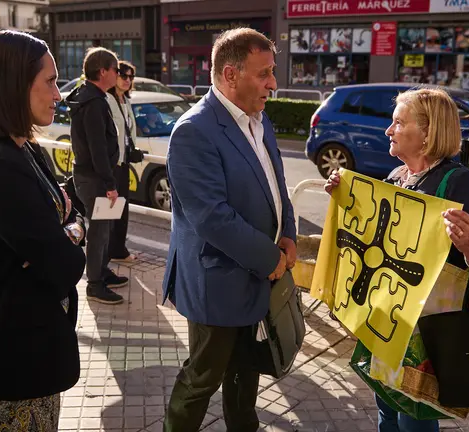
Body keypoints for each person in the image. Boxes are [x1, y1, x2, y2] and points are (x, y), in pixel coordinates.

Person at [324, 88, 469, 432]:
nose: (388, 130)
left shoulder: (460, 184)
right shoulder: (397, 178)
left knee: (413, 422)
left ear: (428, 133)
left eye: (398, 122)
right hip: (386, 326)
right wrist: (346, 195)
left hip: (427, 336)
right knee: (387, 413)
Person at [163, 28, 296, 432]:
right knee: (202, 377)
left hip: (257, 274)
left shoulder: (260, 118)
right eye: (264, 73)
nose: (273, 83)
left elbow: (278, 186)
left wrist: (288, 233)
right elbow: (211, 217)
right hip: (216, 281)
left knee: (246, 371)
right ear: (229, 74)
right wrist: (271, 258)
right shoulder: (193, 131)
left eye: (272, 72)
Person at [0, 30, 86, 431]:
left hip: (33, 333)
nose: (59, 94)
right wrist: (69, 234)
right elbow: (66, 264)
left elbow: (70, 214)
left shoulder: (22, 149)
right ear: (14, 85)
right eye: (50, 81)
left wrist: (64, 229)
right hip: (15, 346)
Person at [67, 47, 128, 305]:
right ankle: (94, 283)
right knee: (100, 231)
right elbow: (97, 148)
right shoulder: (92, 103)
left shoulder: (93, 97)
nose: (119, 74)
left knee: (106, 227)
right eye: (116, 70)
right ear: (103, 71)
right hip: (96, 180)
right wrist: (109, 184)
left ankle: (101, 271)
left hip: (95, 177)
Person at [106, 60, 137, 263]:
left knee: (123, 207)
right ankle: (112, 251)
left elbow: (128, 132)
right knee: (112, 208)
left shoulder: (125, 100)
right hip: (112, 163)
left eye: (130, 77)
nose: (127, 80)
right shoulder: (107, 99)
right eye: (123, 76)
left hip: (124, 162)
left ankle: (117, 248)